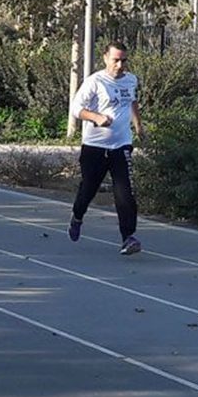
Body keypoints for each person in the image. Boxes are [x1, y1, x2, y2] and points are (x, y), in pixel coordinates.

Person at [67, 41, 145, 255]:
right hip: (95, 146)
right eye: (116, 60)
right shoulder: (95, 81)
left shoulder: (131, 80)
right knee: (88, 189)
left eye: (123, 60)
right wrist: (96, 117)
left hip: (121, 145)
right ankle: (77, 216)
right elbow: (76, 109)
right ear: (105, 58)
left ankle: (128, 237)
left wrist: (138, 126)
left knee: (125, 192)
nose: (120, 65)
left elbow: (132, 101)